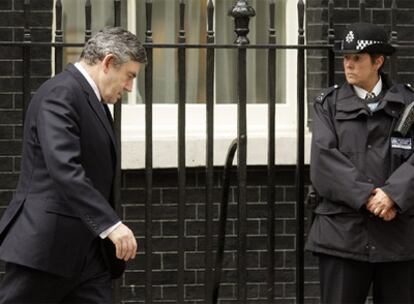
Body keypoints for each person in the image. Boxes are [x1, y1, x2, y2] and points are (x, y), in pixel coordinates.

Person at [0, 27, 147, 303]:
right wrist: (111, 225)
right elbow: (65, 169)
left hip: (88, 254)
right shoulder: (60, 93)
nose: (129, 87)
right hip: (48, 249)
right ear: (107, 62)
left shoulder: (93, 100)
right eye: (129, 76)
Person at [306, 22, 414, 303]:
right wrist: (369, 197)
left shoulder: (409, 104)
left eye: (357, 58)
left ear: (378, 61)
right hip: (342, 236)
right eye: (346, 58)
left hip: (398, 237)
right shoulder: (327, 104)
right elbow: (323, 159)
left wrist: (393, 194)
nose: (349, 65)